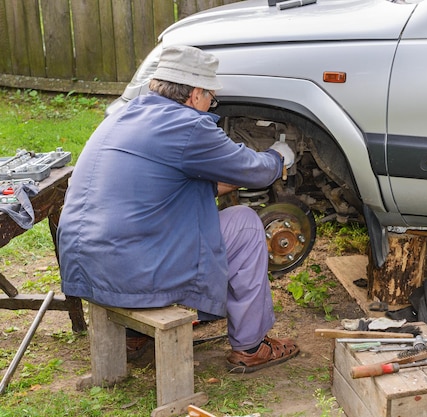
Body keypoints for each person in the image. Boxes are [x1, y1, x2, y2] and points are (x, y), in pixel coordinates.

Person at [57, 45, 299, 373]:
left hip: (86, 264)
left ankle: (133, 334)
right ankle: (251, 346)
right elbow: (254, 170)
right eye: (210, 98)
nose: (210, 105)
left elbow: (169, 189)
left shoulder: (124, 114)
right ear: (195, 94)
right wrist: (278, 157)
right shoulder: (189, 126)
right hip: (131, 270)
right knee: (243, 222)